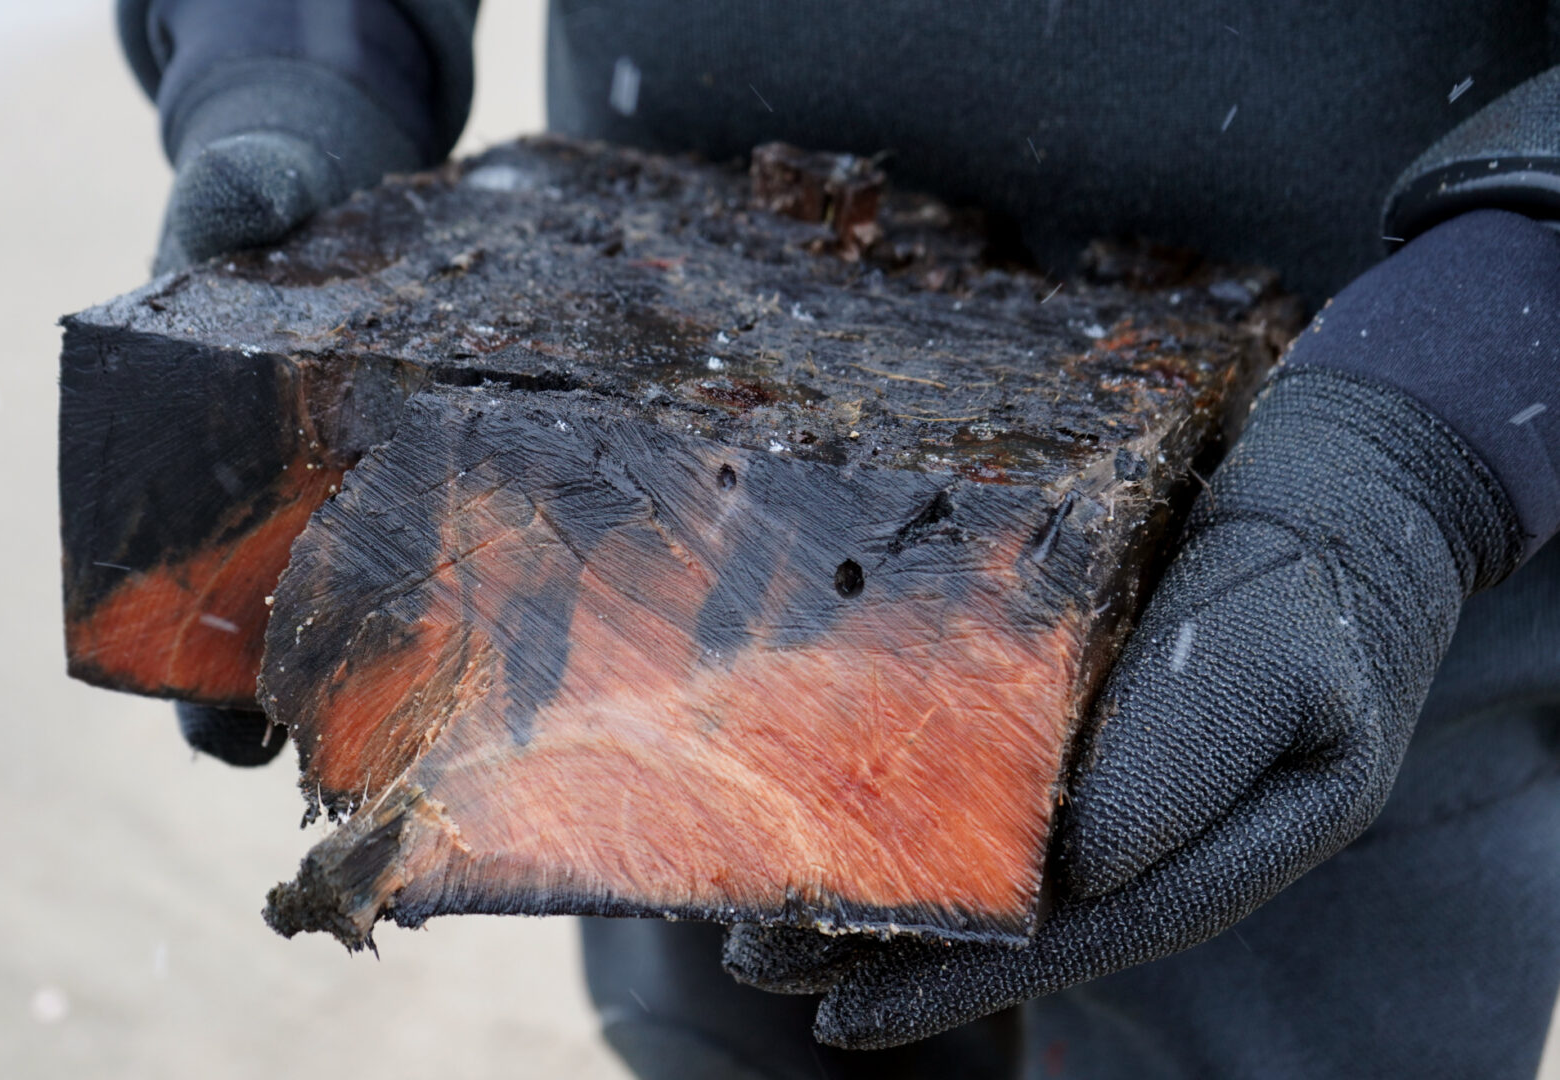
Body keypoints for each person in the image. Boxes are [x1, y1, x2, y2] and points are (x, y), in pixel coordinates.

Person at [114, 2, 1560, 1076]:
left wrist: (1435, 432)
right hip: (662, 537)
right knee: (735, 1029)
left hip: (1347, 590)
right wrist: (301, 60)